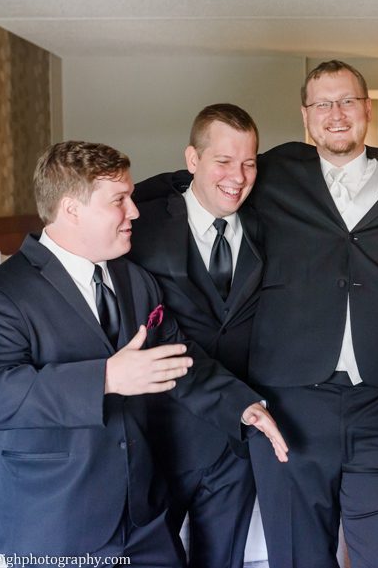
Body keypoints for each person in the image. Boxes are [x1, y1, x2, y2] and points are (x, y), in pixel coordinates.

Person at [0, 141, 287, 564]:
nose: (134, 211)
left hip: (143, 516)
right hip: (56, 520)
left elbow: (178, 356)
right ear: (71, 209)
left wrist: (242, 406)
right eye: (119, 200)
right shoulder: (2, 291)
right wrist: (107, 378)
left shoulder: (135, 280)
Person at [245, 60, 378, 568]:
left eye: (348, 100)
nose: (336, 114)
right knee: (297, 558)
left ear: (367, 109)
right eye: (322, 104)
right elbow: (198, 179)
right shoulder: (272, 174)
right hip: (289, 406)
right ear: (305, 116)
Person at [128, 104, 262, 568]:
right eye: (223, 162)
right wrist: (1, 276)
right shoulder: (139, 225)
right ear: (191, 160)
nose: (238, 176)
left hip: (235, 440)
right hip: (159, 434)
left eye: (248, 163)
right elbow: (70, 236)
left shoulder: (271, 225)